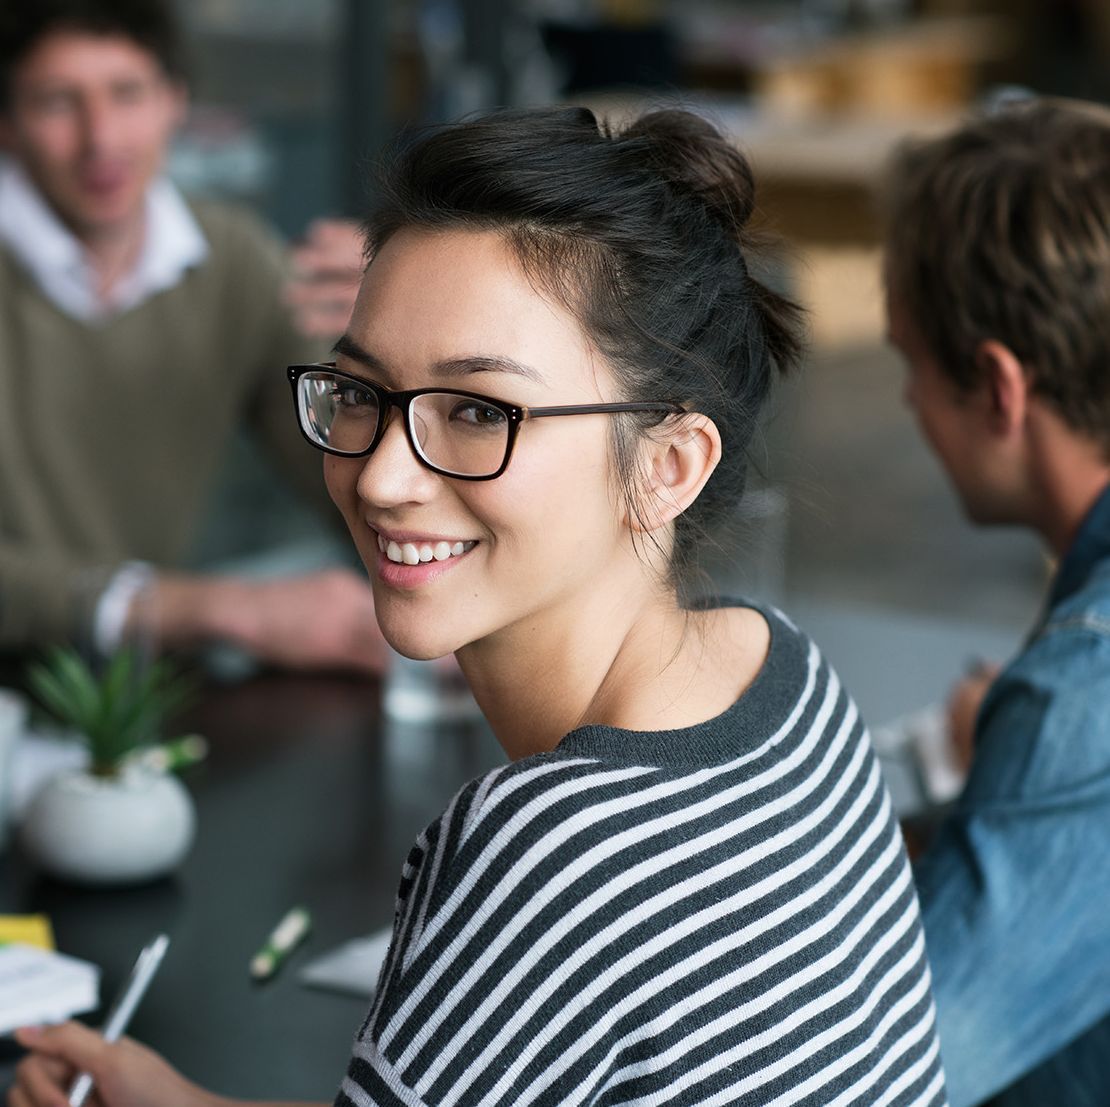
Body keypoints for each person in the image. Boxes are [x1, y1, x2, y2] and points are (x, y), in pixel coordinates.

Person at [10, 106, 946, 1105]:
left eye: (476, 413)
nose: (380, 479)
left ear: (670, 465)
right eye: (361, 393)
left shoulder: (552, 849)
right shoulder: (782, 674)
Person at [0, 0, 383, 671]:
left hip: (140, 706)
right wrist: (215, 607)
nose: (102, 139)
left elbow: (344, 471)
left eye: (128, 93)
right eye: (58, 102)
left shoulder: (229, 257)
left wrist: (397, 348)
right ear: (7, 124)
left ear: (175, 99)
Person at [883, 98, 1110, 1106]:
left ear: (998, 386)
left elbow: (897, 1074)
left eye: (911, 365)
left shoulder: (1079, 697)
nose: (906, 405)